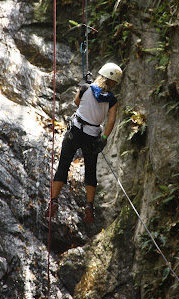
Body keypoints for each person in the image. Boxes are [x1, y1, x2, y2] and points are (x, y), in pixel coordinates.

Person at [46, 63, 122, 223]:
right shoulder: (113, 100)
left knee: (63, 166)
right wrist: (104, 139)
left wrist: (86, 88)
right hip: (92, 137)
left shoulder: (86, 88)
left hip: (75, 131)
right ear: (113, 81)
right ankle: (89, 206)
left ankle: (53, 201)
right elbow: (111, 121)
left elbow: (76, 103)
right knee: (90, 172)